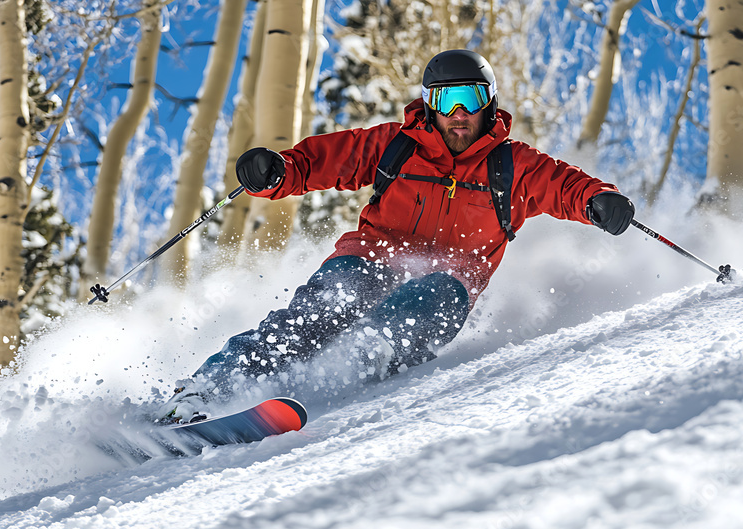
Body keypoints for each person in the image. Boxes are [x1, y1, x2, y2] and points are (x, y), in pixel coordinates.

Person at [163, 49, 634, 422]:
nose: (457, 113)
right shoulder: (397, 145)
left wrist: (598, 201)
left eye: (468, 99)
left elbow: (566, 186)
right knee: (317, 312)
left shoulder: (512, 165)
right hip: (370, 258)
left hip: (447, 285)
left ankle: (340, 373)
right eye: (444, 100)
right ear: (429, 104)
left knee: (434, 293)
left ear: (488, 101)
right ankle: (205, 391)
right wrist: (277, 171)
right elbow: (323, 161)